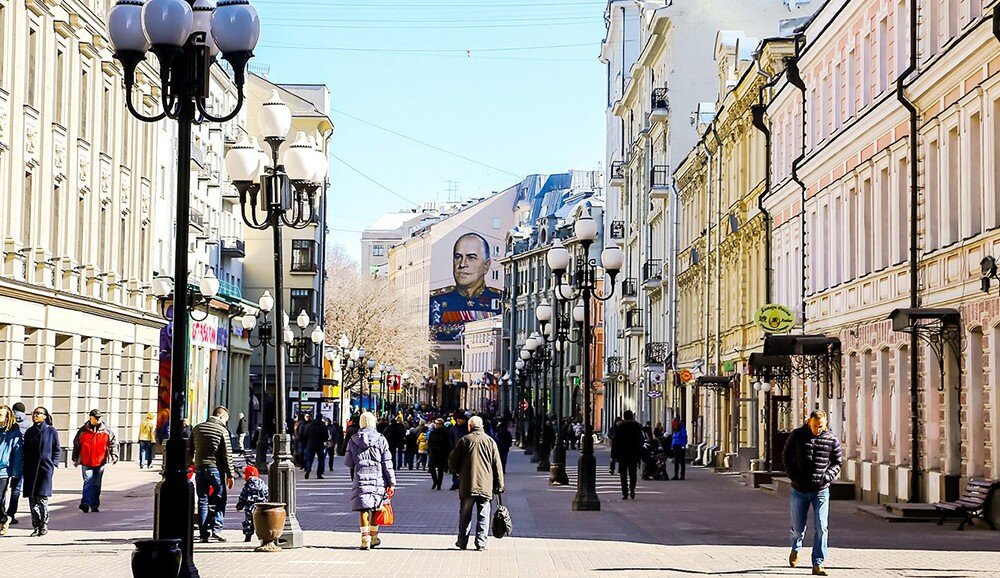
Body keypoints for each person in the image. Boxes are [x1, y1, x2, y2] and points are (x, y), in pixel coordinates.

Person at [783, 410, 843, 577]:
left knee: (822, 527)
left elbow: (837, 462)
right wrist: (793, 476)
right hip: (799, 490)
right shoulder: (797, 435)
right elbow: (787, 456)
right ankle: (795, 548)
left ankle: (818, 563)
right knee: (798, 528)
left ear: (826, 423)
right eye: (815, 425)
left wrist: (827, 477)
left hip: (821, 490)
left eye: (821, 426)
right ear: (809, 421)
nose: (817, 429)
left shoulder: (831, 439)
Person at [429, 233, 503, 342]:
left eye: (471, 257)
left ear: (486, 266)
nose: (462, 264)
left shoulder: (499, 300)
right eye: (458, 257)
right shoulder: (437, 300)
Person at [448, 416, 505, 551]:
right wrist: (499, 484)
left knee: (465, 515)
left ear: (470, 426)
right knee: (484, 514)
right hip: (485, 485)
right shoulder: (490, 441)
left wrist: (456, 471)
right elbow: (497, 465)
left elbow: (452, 459)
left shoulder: (465, 440)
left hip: (468, 484)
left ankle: (462, 541)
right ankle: (481, 542)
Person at [343, 411, 396, 550]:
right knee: (376, 507)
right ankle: (373, 537)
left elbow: (349, 462)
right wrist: (391, 481)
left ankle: (364, 539)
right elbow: (387, 462)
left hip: (360, 476)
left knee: (363, 508)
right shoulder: (381, 439)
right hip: (378, 478)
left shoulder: (353, 439)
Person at [188, 406, 236, 543]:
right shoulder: (222, 430)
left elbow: (189, 448)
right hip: (215, 470)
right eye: (225, 420)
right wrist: (230, 474)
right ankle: (217, 529)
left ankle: (203, 533)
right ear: (221, 417)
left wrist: (191, 464)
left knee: (203, 500)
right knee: (220, 498)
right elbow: (227, 454)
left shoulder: (197, 428)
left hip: (200, 469)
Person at [72, 409, 119, 513]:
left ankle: (94, 505)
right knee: (88, 481)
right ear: (90, 417)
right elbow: (77, 444)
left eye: (99, 417)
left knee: (96, 484)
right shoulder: (83, 430)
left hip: (100, 461)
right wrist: (75, 458)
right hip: (86, 460)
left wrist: (114, 456)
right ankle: (85, 503)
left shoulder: (106, 431)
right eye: (96, 417)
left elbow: (113, 444)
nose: (98, 419)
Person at [22, 407, 59, 536]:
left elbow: (56, 449)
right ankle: (36, 525)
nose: (35, 416)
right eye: (34, 413)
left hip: (45, 468)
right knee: (32, 498)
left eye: (38, 414)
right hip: (30, 469)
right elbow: (25, 450)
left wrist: (53, 463)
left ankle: (44, 524)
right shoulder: (30, 432)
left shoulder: (51, 431)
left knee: (42, 497)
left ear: (45, 416)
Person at [3, 402, 30, 527]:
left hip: (7, 460)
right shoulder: (29, 425)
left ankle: (2, 513)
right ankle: (11, 514)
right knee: (16, 489)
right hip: (23, 460)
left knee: (2, 490)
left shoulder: (9, 424)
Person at [0, 404, 24, 535]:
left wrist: (15, 473)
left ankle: (4, 519)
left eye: (0, 415)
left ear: (7, 417)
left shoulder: (13, 432)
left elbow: (17, 454)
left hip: (3, 470)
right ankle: (3, 519)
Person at [610, 410, 644, 500]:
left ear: (624, 417)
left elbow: (615, 442)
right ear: (632, 416)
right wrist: (639, 452)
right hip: (633, 453)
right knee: (633, 473)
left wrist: (613, 455)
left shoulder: (619, 427)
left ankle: (625, 492)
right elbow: (641, 440)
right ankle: (632, 487)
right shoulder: (636, 426)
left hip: (622, 454)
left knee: (623, 474)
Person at [235, 465, 268, 543]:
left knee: (249, 521)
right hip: (260, 506)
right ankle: (262, 536)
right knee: (260, 521)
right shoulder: (262, 483)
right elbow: (266, 493)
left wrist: (239, 506)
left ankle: (248, 536)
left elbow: (243, 496)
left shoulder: (248, 485)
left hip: (249, 506)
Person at [303, 413, 329, 479]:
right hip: (319, 445)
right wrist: (323, 440)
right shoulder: (322, 425)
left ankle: (308, 470)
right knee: (321, 460)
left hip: (310, 444)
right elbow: (326, 436)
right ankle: (319, 474)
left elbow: (305, 434)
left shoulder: (310, 425)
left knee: (310, 459)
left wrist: (307, 441)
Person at [427, 418, 450, 490]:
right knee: (431, 467)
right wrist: (429, 450)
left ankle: (439, 484)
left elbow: (447, 444)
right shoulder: (432, 432)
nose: (437, 425)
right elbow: (429, 442)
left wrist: (445, 452)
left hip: (441, 453)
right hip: (433, 453)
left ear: (442, 425)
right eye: (436, 424)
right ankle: (435, 481)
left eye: (438, 424)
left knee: (440, 469)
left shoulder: (445, 433)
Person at [448, 412, 467, 490]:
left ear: (464, 420)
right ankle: (455, 483)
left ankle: (462, 483)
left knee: (464, 467)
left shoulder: (467, 428)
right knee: (455, 467)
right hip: (455, 450)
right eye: (457, 419)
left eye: (460, 419)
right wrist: (452, 446)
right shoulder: (453, 428)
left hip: (465, 450)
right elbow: (450, 438)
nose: (458, 421)